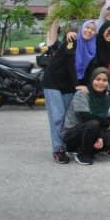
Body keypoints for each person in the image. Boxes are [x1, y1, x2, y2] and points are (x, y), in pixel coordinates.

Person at [61, 67, 110, 165]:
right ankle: (82, 154)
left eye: (105, 80)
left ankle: (86, 149)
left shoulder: (106, 98)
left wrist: (100, 137)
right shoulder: (82, 94)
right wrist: (106, 123)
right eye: (98, 79)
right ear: (92, 80)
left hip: (92, 130)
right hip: (72, 133)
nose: (101, 83)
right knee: (93, 123)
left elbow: (102, 119)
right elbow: (84, 116)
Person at [43, 22, 82, 163]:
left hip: (69, 85)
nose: (88, 32)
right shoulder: (71, 41)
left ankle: (67, 146)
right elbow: (70, 62)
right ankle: (58, 149)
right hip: (53, 82)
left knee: (67, 118)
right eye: (85, 29)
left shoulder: (88, 46)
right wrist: (69, 35)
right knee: (57, 117)